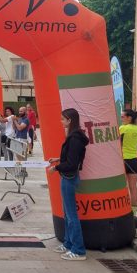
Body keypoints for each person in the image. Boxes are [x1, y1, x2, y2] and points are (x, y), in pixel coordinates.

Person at [47, 108, 89, 261]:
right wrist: (58, 159)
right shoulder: (73, 137)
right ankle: (68, 243)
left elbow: (72, 163)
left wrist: (56, 168)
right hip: (68, 177)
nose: (61, 121)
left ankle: (78, 250)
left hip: (69, 178)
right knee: (67, 214)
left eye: (63, 119)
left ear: (70, 120)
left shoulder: (75, 138)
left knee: (71, 216)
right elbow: (70, 157)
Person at [119, 109, 137, 213]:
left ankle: (123, 209)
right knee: (133, 187)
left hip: (123, 159)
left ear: (130, 118)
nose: (121, 119)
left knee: (122, 187)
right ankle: (133, 210)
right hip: (134, 159)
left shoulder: (123, 128)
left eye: (123, 117)